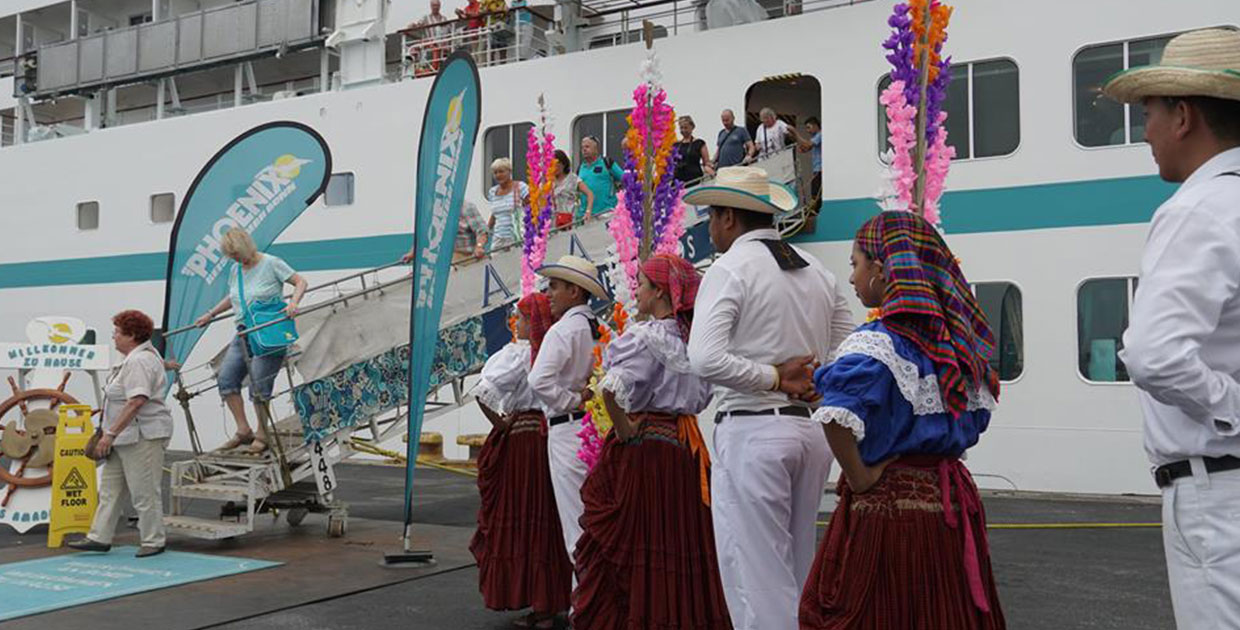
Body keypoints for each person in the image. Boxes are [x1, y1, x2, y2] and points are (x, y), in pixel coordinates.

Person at [799, 210, 1006, 629]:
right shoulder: (958, 349)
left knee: (879, 612)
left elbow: (836, 417)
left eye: (855, 264)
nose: (853, 277)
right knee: (939, 614)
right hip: (948, 507)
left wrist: (858, 476)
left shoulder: (878, 343)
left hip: (888, 511)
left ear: (880, 270)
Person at [1103, 29, 1240, 630]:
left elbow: (1154, 353)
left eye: (1149, 114)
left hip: (1219, 495)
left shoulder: (1198, 209)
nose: (1146, 133)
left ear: (1183, 115)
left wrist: (1234, 407)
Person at [684, 166, 853, 630]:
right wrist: (816, 377)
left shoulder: (729, 269)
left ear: (727, 219)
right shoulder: (816, 269)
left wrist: (775, 377)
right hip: (809, 433)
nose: (710, 228)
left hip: (753, 429)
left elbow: (704, 357)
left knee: (755, 574)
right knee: (798, 563)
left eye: (711, 218)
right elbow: (848, 342)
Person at [571, 253, 732, 630]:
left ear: (660, 292)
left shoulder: (647, 337)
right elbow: (702, 396)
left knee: (637, 540)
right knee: (680, 538)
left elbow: (611, 387)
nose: (637, 291)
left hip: (647, 452)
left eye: (642, 284)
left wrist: (624, 428)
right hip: (685, 451)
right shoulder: (693, 340)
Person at [470, 293, 572, 630]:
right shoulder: (554, 352)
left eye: (524, 318)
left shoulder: (518, 355)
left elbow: (482, 392)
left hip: (524, 443)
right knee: (548, 519)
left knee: (526, 516)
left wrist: (500, 422)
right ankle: (551, 600)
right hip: (549, 437)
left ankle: (539, 605)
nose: (519, 324)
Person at [67, 310, 174, 558]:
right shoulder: (135, 359)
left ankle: (153, 540)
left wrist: (110, 433)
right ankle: (99, 537)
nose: (113, 336)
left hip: (142, 435)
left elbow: (136, 401)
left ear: (132, 335)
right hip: (123, 435)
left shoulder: (138, 361)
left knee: (144, 491)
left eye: (117, 332)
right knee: (110, 489)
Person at [529, 255, 611, 568]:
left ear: (574, 292)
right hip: (595, 429)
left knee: (575, 523)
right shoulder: (597, 328)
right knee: (595, 517)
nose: (548, 294)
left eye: (554, 287)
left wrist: (570, 401)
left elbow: (538, 380)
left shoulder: (563, 331)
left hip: (568, 429)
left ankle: (585, 607)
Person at [194, 228, 308, 453]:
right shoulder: (236, 269)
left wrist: (293, 303)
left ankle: (262, 433)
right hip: (243, 332)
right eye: (231, 256)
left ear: (246, 246)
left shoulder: (271, 263)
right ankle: (243, 429)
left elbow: (300, 282)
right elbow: (234, 296)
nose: (235, 259)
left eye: (237, 254)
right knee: (226, 379)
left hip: (268, 332)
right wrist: (211, 313)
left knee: (259, 384)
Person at [402, 200, 490, 264]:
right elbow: (426, 235)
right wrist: (412, 253)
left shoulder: (466, 207)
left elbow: (482, 230)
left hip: (465, 256)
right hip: (442, 258)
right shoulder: (434, 210)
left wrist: (479, 246)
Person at [486, 158, 529, 251]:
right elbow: (494, 215)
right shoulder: (492, 192)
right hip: (498, 239)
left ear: (509, 171)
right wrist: (486, 231)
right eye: (495, 172)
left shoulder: (520, 187)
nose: (498, 175)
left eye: (501, 171)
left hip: (517, 237)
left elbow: (531, 209)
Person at [578, 136, 625, 215]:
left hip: (606, 213)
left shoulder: (607, 163)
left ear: (596, 149)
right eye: (582, 147)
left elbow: (625, 179)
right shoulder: (580, 168)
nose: (584, 150)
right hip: (586, 215)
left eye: (587, 147)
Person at [552, 150, 594, 229]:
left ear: (563, 164)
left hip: (569, 219)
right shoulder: (549, 181)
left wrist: (588, 211)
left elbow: (589, 193)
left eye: (557, 165)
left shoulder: (572, 178)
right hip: (553, 221)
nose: (555, 168)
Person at [674, 115, 714, 185]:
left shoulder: (699, 143)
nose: (683, 130)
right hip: (678, 181)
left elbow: (706, 162)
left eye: (686, 128)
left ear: (692, 127)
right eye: (681, 128)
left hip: (694, 180)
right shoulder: (676, 145)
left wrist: (710, 170)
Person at [798, 116, 822, 203]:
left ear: (815, 126)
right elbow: (805, 148)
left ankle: (816, 211)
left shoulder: (820, 135)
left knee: (816, 193)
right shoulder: (815, 137)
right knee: (815, 192)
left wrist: (795, 133)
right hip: (817, 169)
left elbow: (808, 145)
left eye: (809, 127)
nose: (808, 131)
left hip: (820, 169)